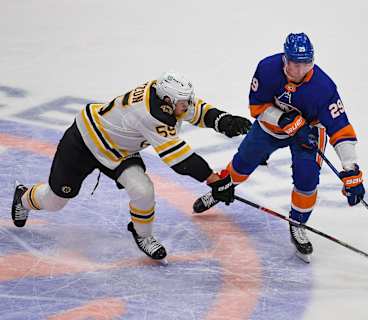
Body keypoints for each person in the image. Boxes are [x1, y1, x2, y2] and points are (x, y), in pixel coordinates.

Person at [10, 72, 252, 262]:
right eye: (182, 103)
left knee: (143, 190)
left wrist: (223, 121)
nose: (187, 106)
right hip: (84, 142)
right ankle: (23, 197)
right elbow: (181, 160)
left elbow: (196, 110)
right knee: (55, 202)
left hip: (118, 150)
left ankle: (143, 234)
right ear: (167, 101)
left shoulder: (166, 97)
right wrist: (215, 181)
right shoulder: (150, 115)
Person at [193, 33, 366, 263]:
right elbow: (257, 107)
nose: (301, 69)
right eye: (296, 63)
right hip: (270, 128)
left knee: (307, 180)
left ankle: (297, 223)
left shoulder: (324, 87)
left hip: (309, 134)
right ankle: (223, 186)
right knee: (243, 162)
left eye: (306, 63)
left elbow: (341, 129)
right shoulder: (266, 68)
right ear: (285, 59)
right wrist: (285, 120)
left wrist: (350, 168)